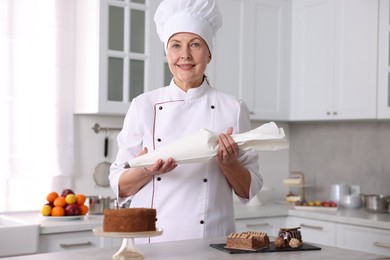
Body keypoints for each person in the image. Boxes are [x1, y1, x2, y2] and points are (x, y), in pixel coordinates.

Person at [109, 0, 263, 242]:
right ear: (167, 53)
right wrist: (147, 170)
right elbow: (119, 185)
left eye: (195, 44)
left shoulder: (233, 108)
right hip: (151, 241)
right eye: (176, 46)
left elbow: (249, 190)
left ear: (209, 53)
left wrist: (229, 164)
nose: (185, 55)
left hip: (211, 241)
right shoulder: (143, 106)